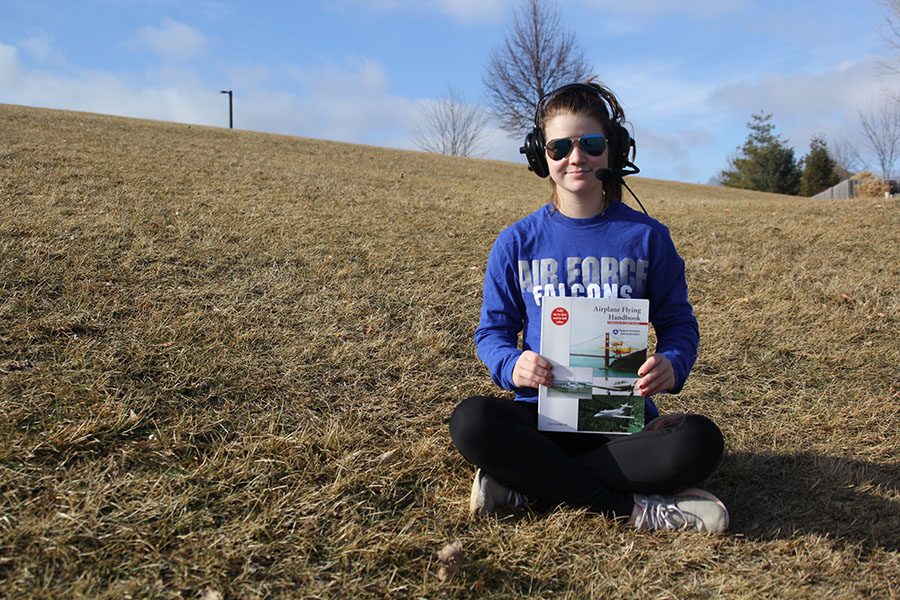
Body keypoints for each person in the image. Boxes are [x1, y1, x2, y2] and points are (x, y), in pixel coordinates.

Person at [449, 81, 729, 533]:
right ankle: (632, 510)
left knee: (699, 443)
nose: (575, 157)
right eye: (559, 146)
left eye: (590, 143)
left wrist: (673, 364)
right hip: (541, 416)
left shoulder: (648, 237)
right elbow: (492, 333)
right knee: (472, 422)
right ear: (541, 156)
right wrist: (512, 364)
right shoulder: (516, 242)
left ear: (612, 149)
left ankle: (527, 487)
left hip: (620, 420)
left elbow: (677, 321)